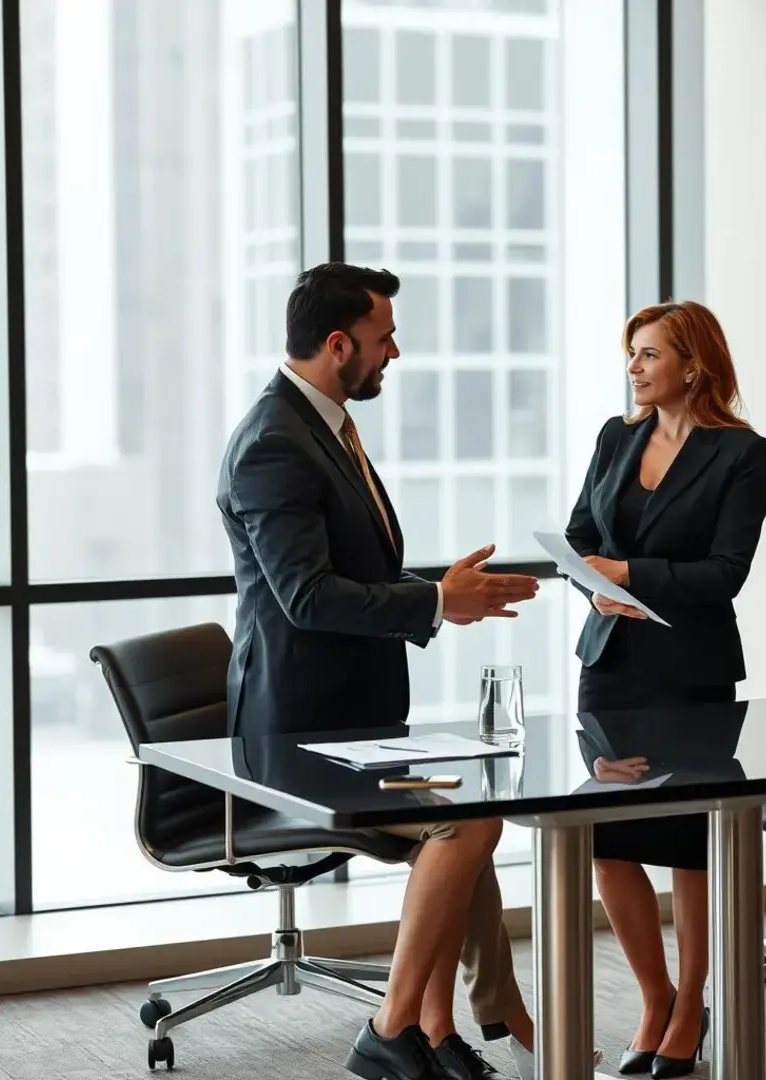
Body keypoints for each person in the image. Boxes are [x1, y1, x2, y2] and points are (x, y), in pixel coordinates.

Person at [217, 263, 540, 1080]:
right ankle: (394, 1030)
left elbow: (346, 568)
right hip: (297, 733)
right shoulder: (273, 443)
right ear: (337, 344)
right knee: (463, 825)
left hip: (350, 722)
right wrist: (433, 601)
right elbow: (304, 596)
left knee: (465, 814)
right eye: (383, 336)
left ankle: (434, 1033)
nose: (394, 350)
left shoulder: (319, 426)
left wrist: (439, 596)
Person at [565, 301, 766, 1080]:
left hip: (689, 670)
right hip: (611, 663)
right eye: (632, 354)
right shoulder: (616, 438)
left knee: (687, 841)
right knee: (609, 838)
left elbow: (727, 573)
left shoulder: (741, 454)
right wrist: (594, 585)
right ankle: (653, 1000)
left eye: (649, 354)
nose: (635, 368)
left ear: (693, 364)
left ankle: (692, 1002)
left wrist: (631, 574)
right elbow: (583, 533)